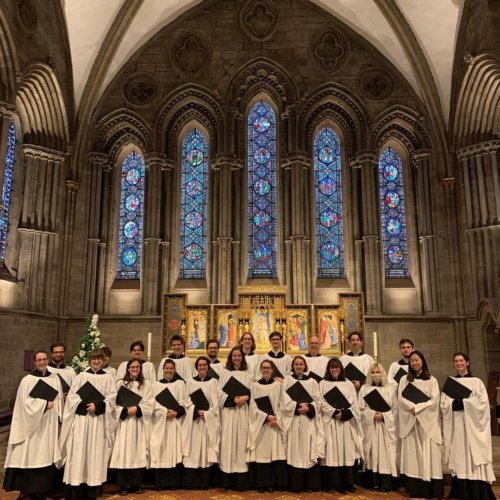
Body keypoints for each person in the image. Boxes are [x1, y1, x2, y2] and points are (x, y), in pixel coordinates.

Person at [3, 350, 63, 500]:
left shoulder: (55, 378)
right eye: (39, 360)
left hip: (48, 423)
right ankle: (27, 489)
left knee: (45, 453)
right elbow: (24, 404)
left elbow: (60, 399)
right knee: (31, 453)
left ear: (47, 360)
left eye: (44, 359)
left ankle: (43, 489)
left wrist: (59, 417)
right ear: (35, 362)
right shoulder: (27, 380)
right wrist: (44, 404)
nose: (42, 362)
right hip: (31, 426)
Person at [59, 349, 117, 499]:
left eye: (99, 359)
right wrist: (85, 405)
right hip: (82, 420)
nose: (96, 362)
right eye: (94, 359)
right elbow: (72, 397)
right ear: (90, 360)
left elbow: (111, 398)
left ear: (104, 360)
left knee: (95, 452)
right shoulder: (81, 376)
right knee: (78, 451)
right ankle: (76, 488)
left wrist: (97, 406)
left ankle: (92, 489)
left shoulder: (108, 378)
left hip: (98, 422)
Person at [441, 352, 496, 500]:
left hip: (473, 427)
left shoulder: (476, 382)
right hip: (457, 425)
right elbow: (444, 403)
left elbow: (483, 402)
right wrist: (452, 404)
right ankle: (460, 490)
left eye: (461, 361)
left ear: (467, 363)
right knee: (459, 454)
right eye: (456, 361)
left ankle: (480, 491)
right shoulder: (451, 382)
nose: (458, 363)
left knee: (474, 454)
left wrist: (464, 403)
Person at [398, 350, 443, 499]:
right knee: (413, 455)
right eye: (412, 361)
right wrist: (412, 408)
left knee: (429, 454)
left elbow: (434, 400)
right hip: (411, 422)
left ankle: (432, 489)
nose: (414, 363)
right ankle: (415, 488)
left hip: (427, 424)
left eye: (417, 360)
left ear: (422, 361)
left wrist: (418, 408)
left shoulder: (432, 380)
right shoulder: (405, 379)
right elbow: (401, 397)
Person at [109, 359, 153, 495]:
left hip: (138, 423)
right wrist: (124, 411)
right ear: (128, 369)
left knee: (137, 451)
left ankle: (136, 484)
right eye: (132, 367)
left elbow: (150, 403)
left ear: (140, 369)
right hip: (124, 423)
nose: (135, 369)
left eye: (137, 367)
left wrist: (137, 408)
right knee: (123, 452)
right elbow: (113, 404)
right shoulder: (120, 384)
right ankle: (122, 485)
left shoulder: (146, 384)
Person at [319, 357, 363, 493]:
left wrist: (346, 413)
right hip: (331, 422)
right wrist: (333, 412)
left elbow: (355, 403)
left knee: (346, 451)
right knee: (332, 451)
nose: (334, 370)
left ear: (341, 369)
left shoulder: (348, 383)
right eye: (332, 367)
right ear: (328, 369)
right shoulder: (323, 383)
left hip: (346, 424)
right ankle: (332, 483)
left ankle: (347, 483)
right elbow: (320, 401)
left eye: (337, 367)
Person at [281, 355, 324, 493]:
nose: (299, 366)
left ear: (305, 366)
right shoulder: (287, 380)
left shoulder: (312, 382)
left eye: (301, 364)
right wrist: (297, 406)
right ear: (293, 366)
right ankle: (296, 485)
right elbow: (283, 399)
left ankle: (311, 485)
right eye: (296, 364)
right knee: (296, 451)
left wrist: (309, 408)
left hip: (308, 421)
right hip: (294, 420)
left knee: (308, 449)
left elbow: (318, 401)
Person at [248, 359, 288, 493]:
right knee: (262, 454)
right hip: (261, 425)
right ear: (260, 369)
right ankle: (261, 484)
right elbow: (253, 407)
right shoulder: (254, 386)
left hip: (274, 424)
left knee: (273, 454)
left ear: (272, 370)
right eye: (263, 368)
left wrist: (277, 418)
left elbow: (282, 404)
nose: (266, 370)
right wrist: (265, 416)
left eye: (268, 368)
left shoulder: (278, 385)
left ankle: (272, 483)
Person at [359, 362, 398, 492]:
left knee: (385, 453)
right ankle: (373, 482)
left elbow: (395, 409)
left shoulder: (390, 389)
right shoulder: (364, 389)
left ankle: (386, 483)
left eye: (378, 372)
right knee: (372, 452)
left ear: (383, 373)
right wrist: (371, 414)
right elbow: (360, 408)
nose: (376, 375)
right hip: (371, 427)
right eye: (373, 372)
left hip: (384, 426)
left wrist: (384, 416)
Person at [182, 356, 220, 490]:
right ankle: (191, 482)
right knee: (193, 450)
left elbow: (216, 403)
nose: (202, 367)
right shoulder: (190, 382)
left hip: (207, 422)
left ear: (208, 367)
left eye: (204, 365)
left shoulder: (214, 382)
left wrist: (207, 413)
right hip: (195, 421)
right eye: (200, 365)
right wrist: (196, 410)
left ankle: (204, 482)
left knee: (205, 449)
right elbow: (186, 401)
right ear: (196, 367)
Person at [218, 346, 252, 491]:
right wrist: (233, 399)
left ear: (242, 358)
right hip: (229, 413)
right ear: (231, 358)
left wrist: (246, 397)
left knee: (241, 444)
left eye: (239, 356)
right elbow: (219, 393)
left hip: (243, 412)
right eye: (234, 356)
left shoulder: (248, 373)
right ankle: (228, 481)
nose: (237, 358)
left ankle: (241, 482)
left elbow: (254, 390)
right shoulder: (225, 373)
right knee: (228, 443)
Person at [150, 358, 187, 489]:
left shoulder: (180, 384)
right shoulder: (155, 385)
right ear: (163, 370)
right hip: (161, 422)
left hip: (174, 423)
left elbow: (184, 402)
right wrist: (164, 412)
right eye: (167, 368)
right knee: (161, 451)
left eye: (171, 368)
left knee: (173, 451)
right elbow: (152, 404)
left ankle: (172, 483)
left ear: (174, 370)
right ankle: (160, 483)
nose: (169, 371)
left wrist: (176, 413)